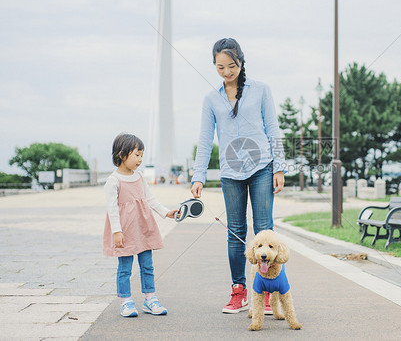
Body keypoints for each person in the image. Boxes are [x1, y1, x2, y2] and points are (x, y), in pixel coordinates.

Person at [191, 38, 286, 314]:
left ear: (241, 62)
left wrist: (279, 167)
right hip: (230, 172)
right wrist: (198, 176)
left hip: (262, 168)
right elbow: (205, 140)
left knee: (264, 230)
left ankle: (266, 290)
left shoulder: (261, 90)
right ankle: (239, 291)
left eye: (231, 66)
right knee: (235, 233)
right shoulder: (211, 99)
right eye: (220, 67)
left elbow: (273, 128)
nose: (226, 72)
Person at [103, 133, 178, 317]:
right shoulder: (113, 181)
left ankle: (150, 299)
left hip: (143, 228)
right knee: (125, 268)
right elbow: (112, 209)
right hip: (125, 231)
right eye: (137, 154)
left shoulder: (140, 177)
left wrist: (165, 212)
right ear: (122, 154)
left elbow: (150, 199)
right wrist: (117, 231)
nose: (140, 159)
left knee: (147, 266)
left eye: (141, 155)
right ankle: (126, 301)